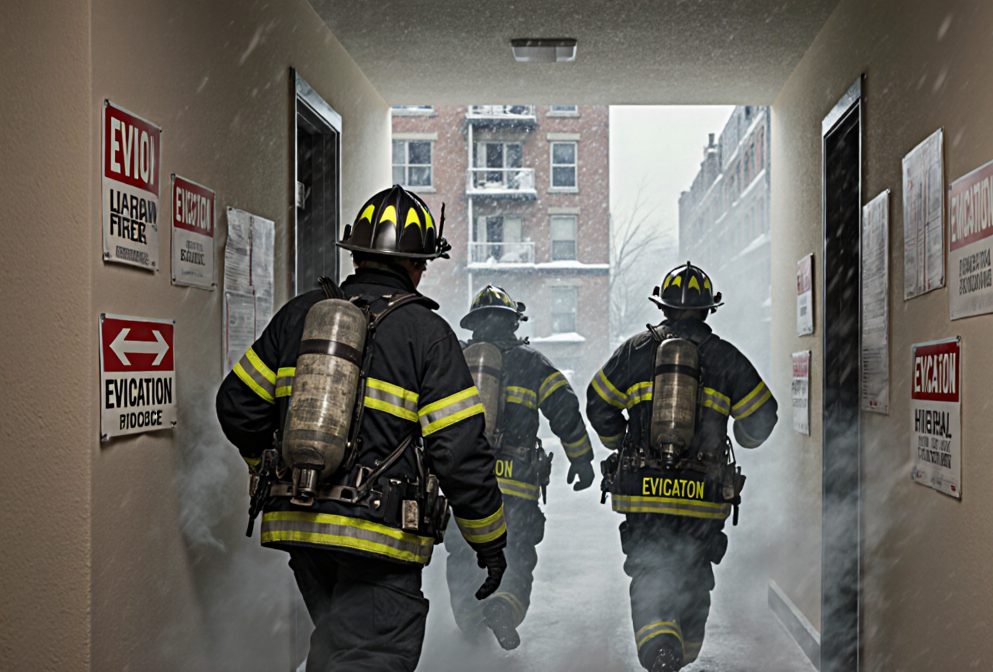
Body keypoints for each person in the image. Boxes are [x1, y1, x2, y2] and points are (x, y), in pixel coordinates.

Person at [215, 185, 507, 672]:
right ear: (418, 265)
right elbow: (459, 452)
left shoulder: (298, 316)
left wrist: (270, 464)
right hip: (379, 537)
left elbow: (236, 405)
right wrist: (489, 541)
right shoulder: (428, 335)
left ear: (356, 255)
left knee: (336, 645)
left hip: (301, 528)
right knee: (372, 656)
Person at [586, 262, 777, 672]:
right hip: (702, 498)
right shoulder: (727, 359)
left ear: (664, 307)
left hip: (643, 490)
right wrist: (740, 436)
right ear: (709, 310)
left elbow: (597, 402)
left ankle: (658, 645)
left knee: (650, 568)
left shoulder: (635, 350)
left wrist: (621, 441)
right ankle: (681, 649)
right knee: (694, 572)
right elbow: (764, 418)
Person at [444, 285, 595, 650]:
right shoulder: (533, 363)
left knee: (464, 554)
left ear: (474, 324)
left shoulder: (454, 361)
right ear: (514, 323)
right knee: (516, 553)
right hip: (518, 487)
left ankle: (471, 623)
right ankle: (504, 605)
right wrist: (582, 460)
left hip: (465, 483)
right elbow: (565, 412)